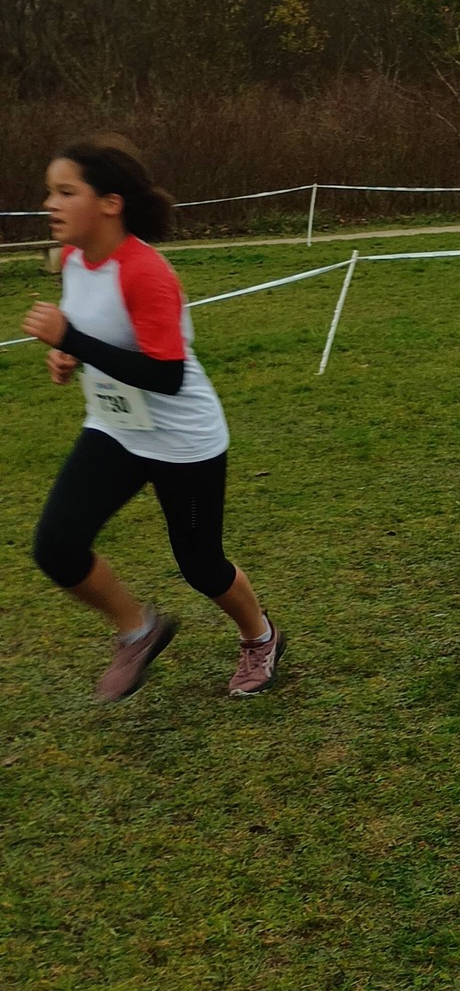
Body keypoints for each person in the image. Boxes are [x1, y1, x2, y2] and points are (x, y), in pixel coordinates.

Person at [24, 136, 282, 701]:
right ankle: (139, 630)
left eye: (66, 192)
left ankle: (261, 637)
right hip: (116, 429)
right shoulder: (73, 259)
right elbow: (93, 325)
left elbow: (166, 375)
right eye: (50, 191)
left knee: (201, 566)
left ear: (110, 203)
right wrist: (66, 352)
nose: (50, 203)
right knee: (57, 548)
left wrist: (71, 337)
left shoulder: (146, 272)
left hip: (181, 439)